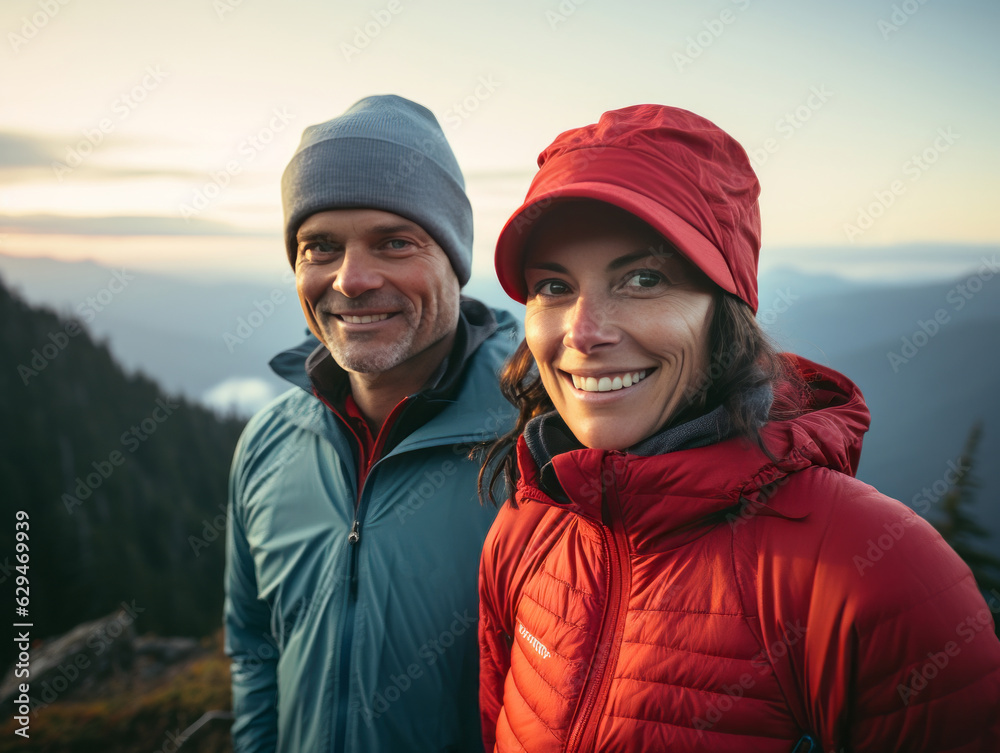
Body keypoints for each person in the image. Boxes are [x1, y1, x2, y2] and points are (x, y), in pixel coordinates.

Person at [478, 104, 1000, 752]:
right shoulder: (527, 528)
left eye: (643, 279)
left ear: (726, 314)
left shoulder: (879, 573)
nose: (583, 332)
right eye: (553, 286)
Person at [224, 95, 518, 753]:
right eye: (320, 246)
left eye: (394, 241)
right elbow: (253, 648)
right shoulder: (267, 444)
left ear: (453, 257)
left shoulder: (540, 437)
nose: (351, 280)